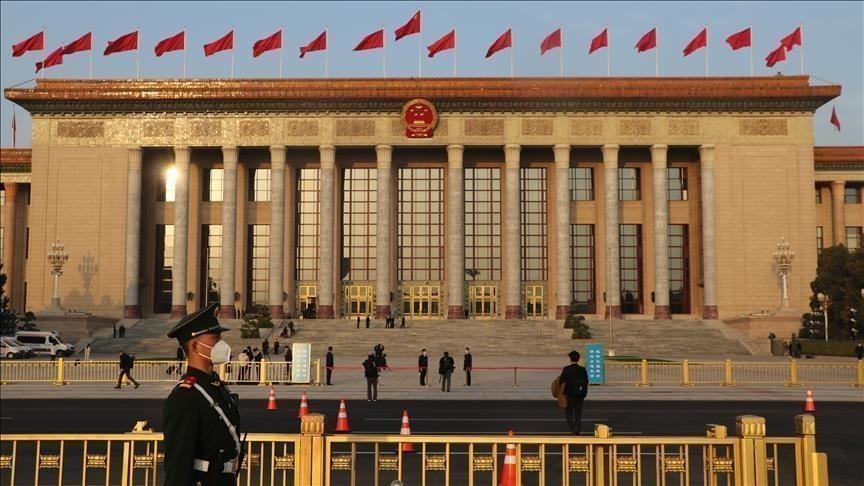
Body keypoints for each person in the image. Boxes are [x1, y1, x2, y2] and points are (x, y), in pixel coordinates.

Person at [163, 302, 242, 486]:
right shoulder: (185, 396)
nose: (222, 343)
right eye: (215, 338)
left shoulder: (216, 386)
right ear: (196, 347)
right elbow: (178, 465)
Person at [558, 350, 589, 435]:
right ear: (578, 359)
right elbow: (586, 381)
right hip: (580, 394)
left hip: (570, 394)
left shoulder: (567, 369)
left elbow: (561, 381)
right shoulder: (582, 369)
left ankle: (573, 427)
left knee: (569, 412)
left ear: (570, 359)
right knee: (578, 413)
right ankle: (578, 428)